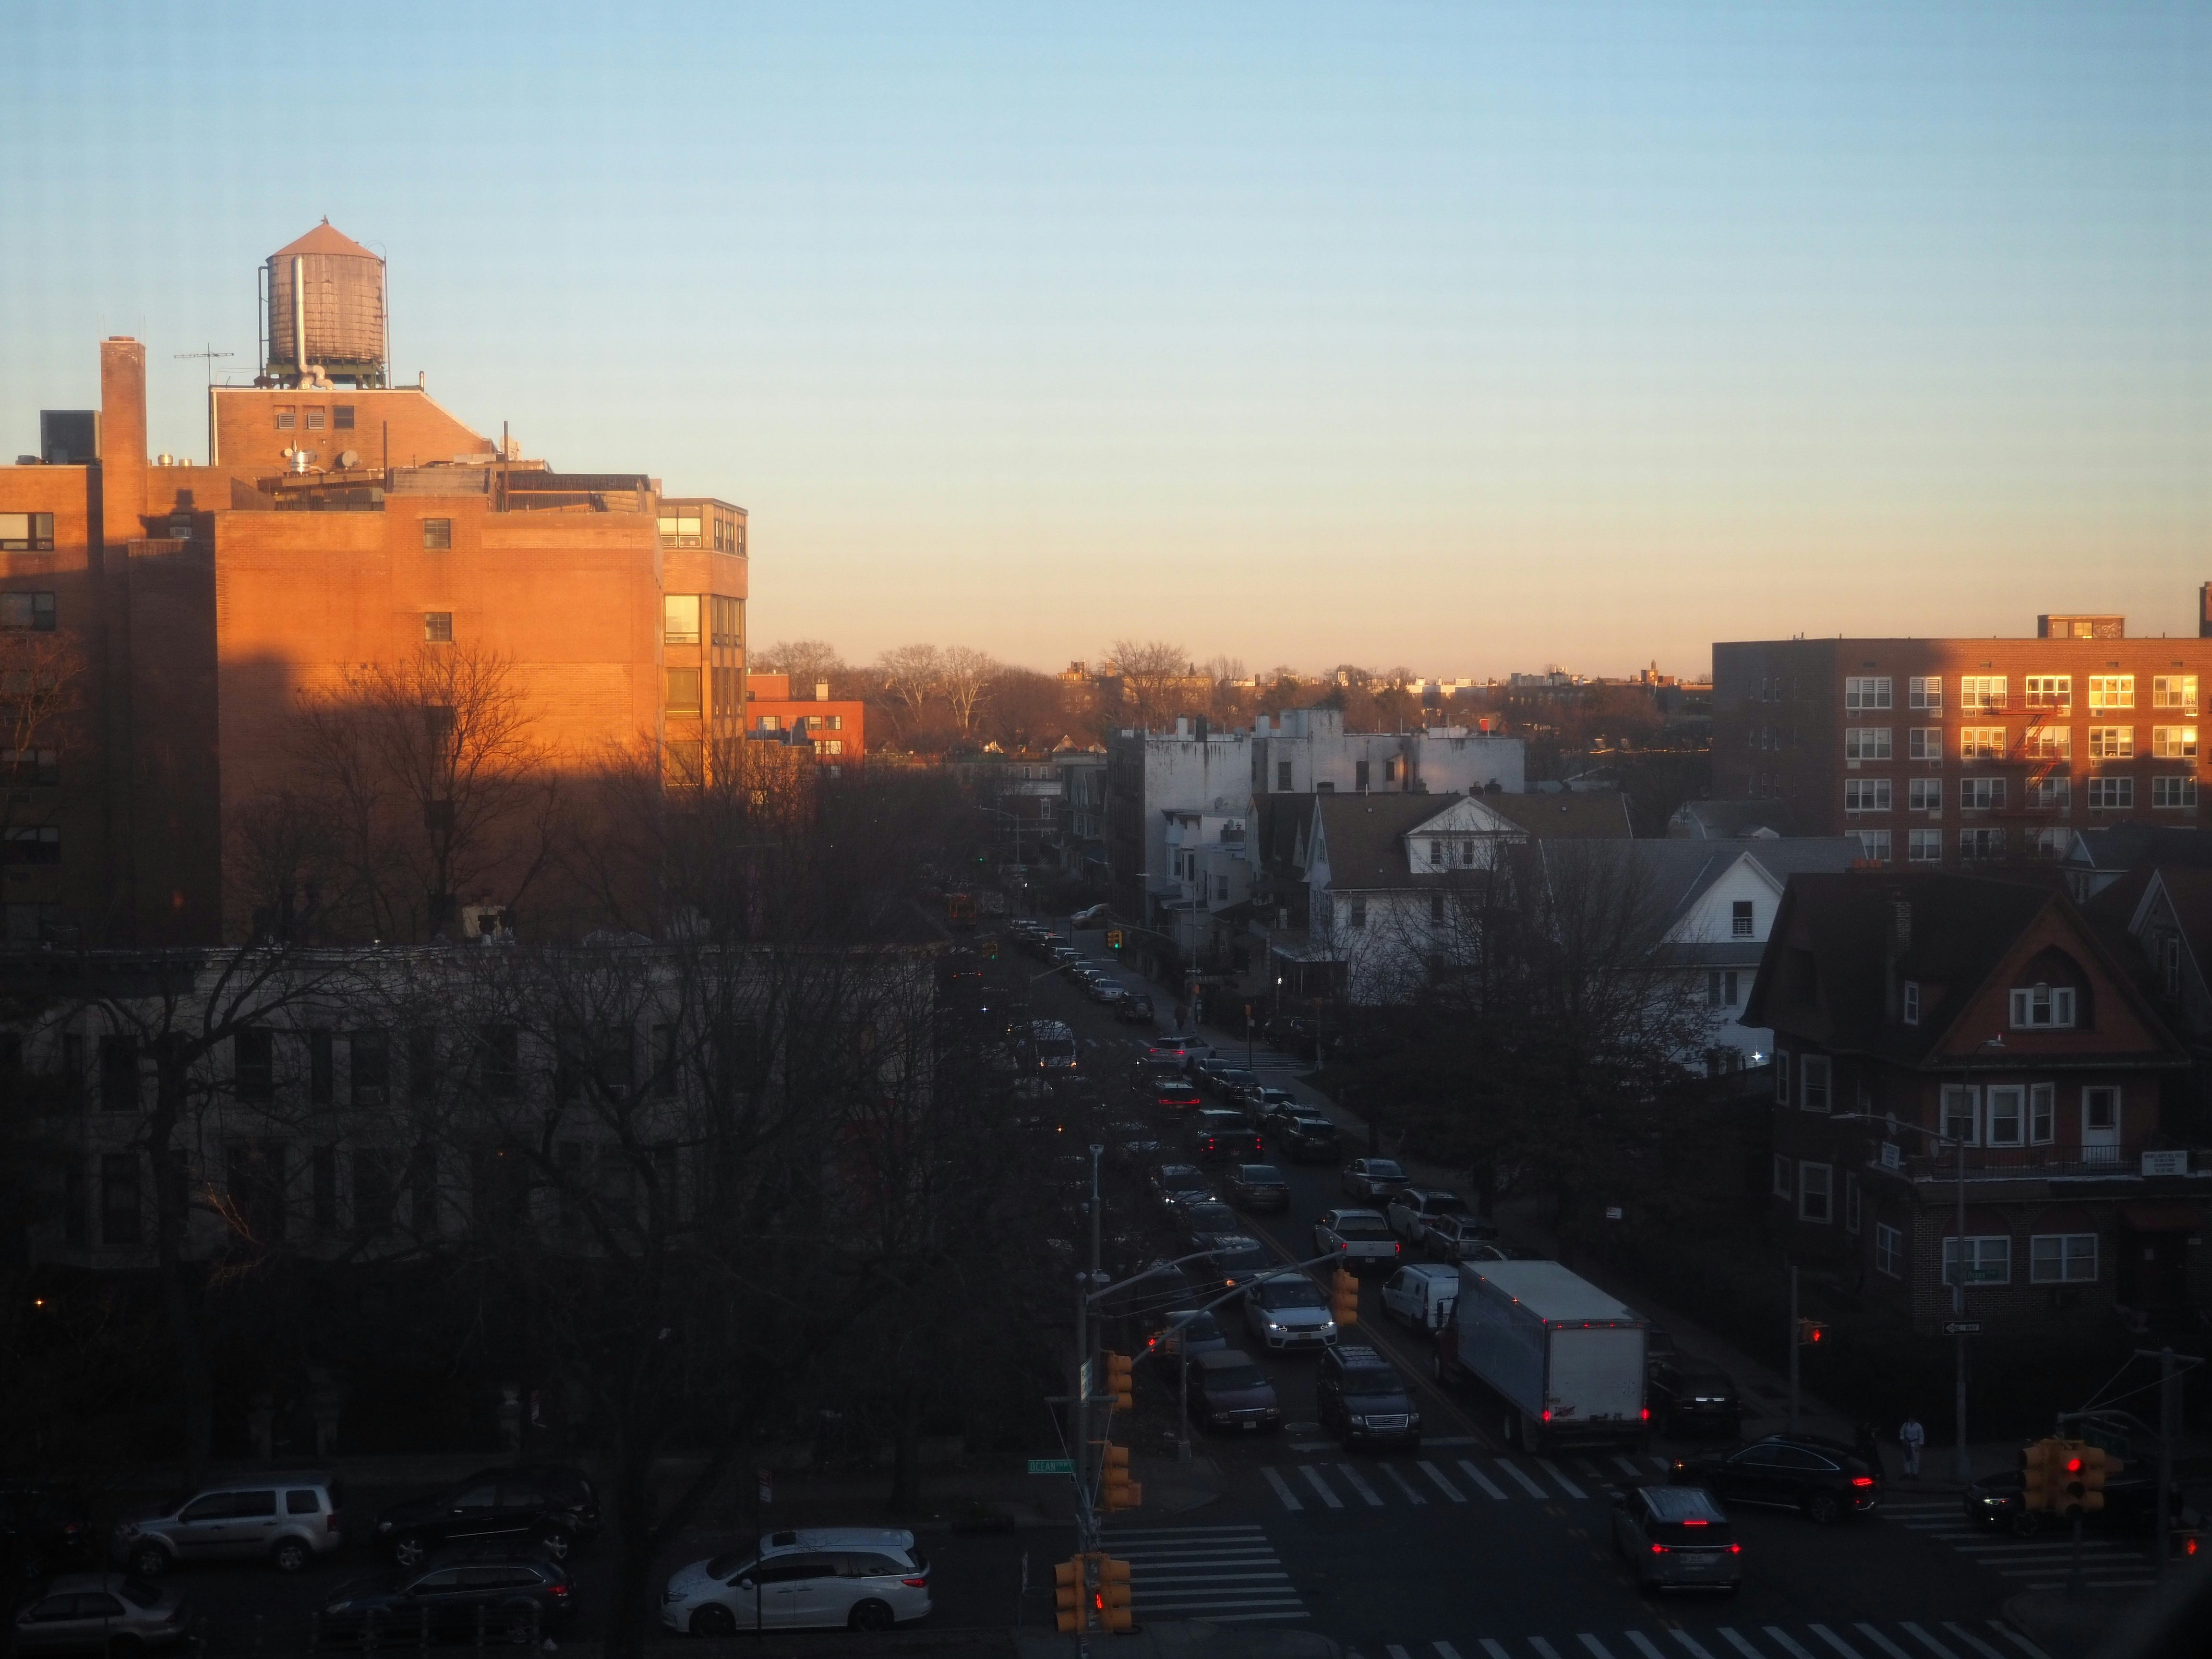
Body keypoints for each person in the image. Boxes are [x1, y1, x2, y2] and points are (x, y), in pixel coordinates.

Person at [1899, 1413, 1925, 1479]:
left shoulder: (1919, 1426)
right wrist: (1903, 1442)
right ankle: (1907, 1473)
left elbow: (1921, 1436)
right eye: (1910, 1418)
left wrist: (1919, 1445)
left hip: (1915, 1444)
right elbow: (1902, 1433)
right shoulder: (1905, 1425)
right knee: (1907, 1458)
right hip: (1907, 1444)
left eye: (1912, 1418)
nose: (1911, 1419)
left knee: (1916, 1459)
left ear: (1914, 1419)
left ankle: (1915, 1474)